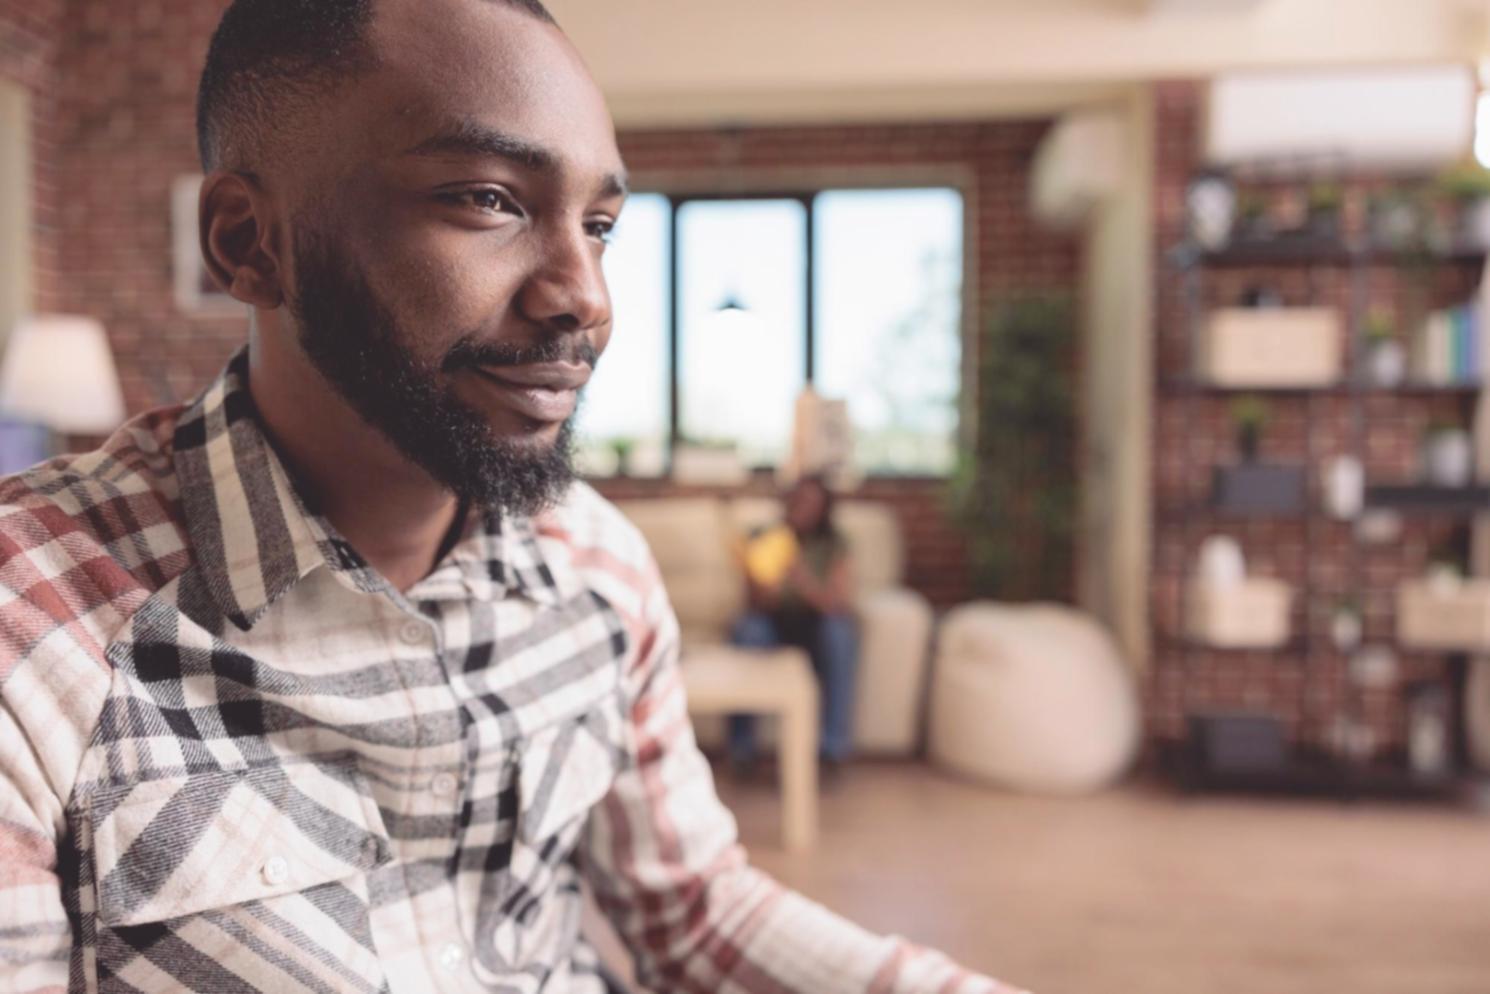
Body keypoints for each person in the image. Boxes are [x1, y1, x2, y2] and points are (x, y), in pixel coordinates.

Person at [0, 2, 1026, 992]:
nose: (585, 297)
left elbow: (696, 912)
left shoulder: (596, 566)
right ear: (248, 243)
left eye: (600, 224)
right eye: (487, 199)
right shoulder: (33, 631)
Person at [730, 477, 858, 772]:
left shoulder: (834, 543)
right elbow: (751, 602)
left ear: (824, 509)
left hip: (817, 623)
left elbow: (836, 604)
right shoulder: (764, 537)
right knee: (747, 630)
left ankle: (832, 748)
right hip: (773, 620)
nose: (802, 509)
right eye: (798, 501)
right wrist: (765, 587)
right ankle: (742, 748)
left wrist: (799, 576)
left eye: (811, 504)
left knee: (840, 633)